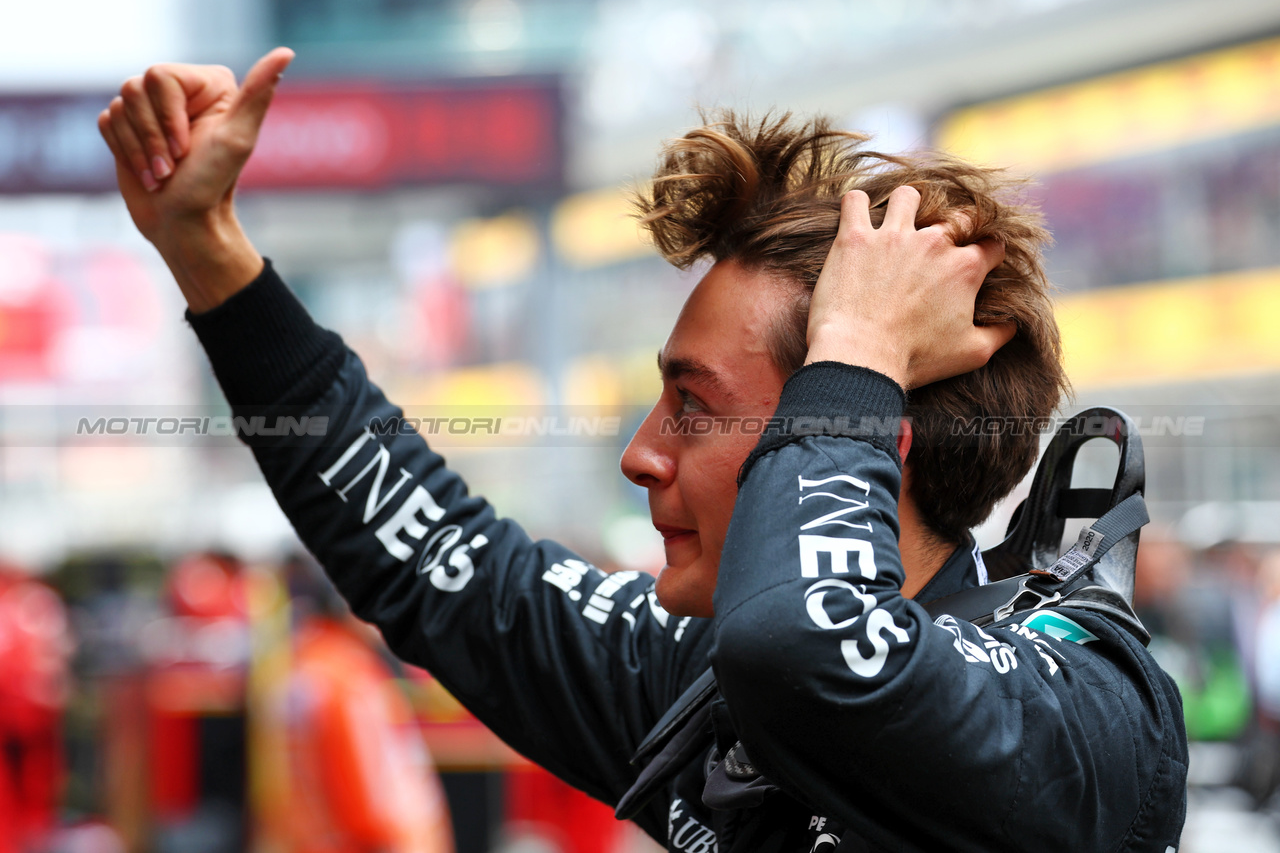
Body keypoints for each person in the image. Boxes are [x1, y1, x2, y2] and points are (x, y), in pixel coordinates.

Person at [98, 48, 1188, 851]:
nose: (638, 453)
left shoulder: (1078, 710)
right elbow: (437, 558)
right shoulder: (702, 672)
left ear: (859, 433)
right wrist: (204, 248)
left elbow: (808, 645)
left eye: (691, 404)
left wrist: (853, 344)